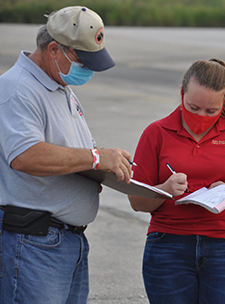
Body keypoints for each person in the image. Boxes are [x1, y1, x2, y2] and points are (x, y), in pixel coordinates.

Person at [0, 6, 132, 304]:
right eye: (81, 59)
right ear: (54, 49)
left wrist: (102, 168)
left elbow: (71, 152)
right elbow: (25, 155)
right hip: (35, 242)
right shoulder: (19, 89)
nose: (87, 70)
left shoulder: (58, 86)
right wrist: (96, 159)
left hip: (64, 243)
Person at [128, 58, 225, 303]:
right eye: (193, 107)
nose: (201, 116)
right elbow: (136, 201)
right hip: (169, 245)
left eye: (211, 111)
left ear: (224, 102)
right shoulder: (156, 133)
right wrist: (165, 189)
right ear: (181, 93)